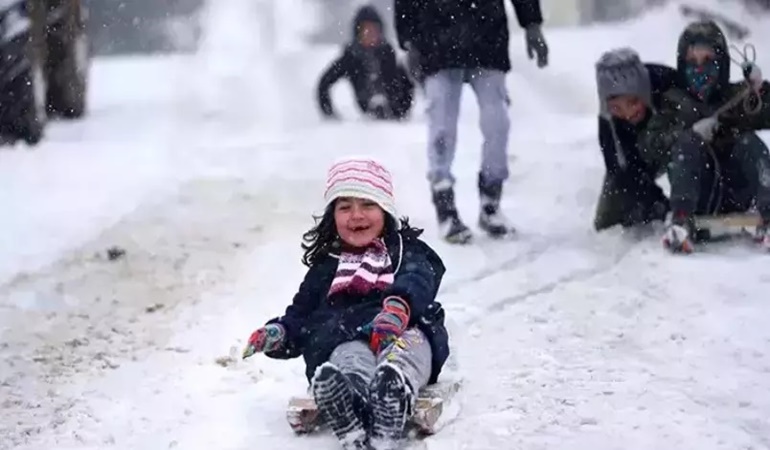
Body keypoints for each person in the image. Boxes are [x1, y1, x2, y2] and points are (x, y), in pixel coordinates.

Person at [242, 157, 450, 449]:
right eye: (345, 207)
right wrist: (279, 333)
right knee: (349, 357)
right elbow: (301, 313)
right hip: (347, 336)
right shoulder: (327, 265)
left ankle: (393, 393)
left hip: (403, 329)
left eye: (367, 205)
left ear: (386, 210)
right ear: (332, 215)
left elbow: (419, 276)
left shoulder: (405, 250)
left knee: (405, 352)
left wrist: (399, 307)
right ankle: (349, 402)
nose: (356, 215)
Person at [394, 0, 549, 244]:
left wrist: (532, 23)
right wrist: (408, 40)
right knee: (442, 128)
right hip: (436, 41)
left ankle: (491, 201)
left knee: (497, 124)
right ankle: (445, 207)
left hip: (487, 37)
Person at [636, 20, 770, 253]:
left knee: (748, 141)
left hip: (737, 193)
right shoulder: (674, 102)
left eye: (708, 61)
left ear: (722, 63)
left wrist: (760, 90)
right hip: (698, 198)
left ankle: (767, 213)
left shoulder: (737, 96)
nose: (700, 69)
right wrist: (688, 134)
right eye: (692, 62)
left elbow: (764, 110)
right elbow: (650, 146)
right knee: (687, 144)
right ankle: (680, 224)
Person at [593, 48, 678, 231]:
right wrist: (658, 204)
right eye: (616, 108)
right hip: (639, 159)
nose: (628, 114)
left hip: (677, 145)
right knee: (606, 222)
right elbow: (621, 172)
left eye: (633, 103)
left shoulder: (670, 85)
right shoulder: (608, 124)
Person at [316, 6, 415, 121]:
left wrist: (402, 109)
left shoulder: (388, 53)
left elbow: (406, 83)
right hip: (367, 113)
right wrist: (329, 115)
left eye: (374, 30)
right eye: (366, 30)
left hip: (396, 113)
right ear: (358, 33)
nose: (371, 34)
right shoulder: (351, 57)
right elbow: (325, 83)